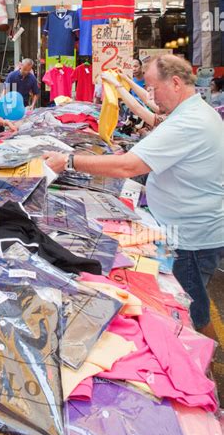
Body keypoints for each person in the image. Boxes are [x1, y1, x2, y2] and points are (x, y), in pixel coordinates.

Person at [44, 55, 223, 339]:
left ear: (175, 83)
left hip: (190, 238)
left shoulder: (189, 122)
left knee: (193, 312)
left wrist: (68, 160)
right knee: (188, 304)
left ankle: (205, 368)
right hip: (190, 229)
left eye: (153, 88)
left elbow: (128, 165)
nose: (151, 95)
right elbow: (150, 111)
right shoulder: (191, 112)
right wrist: (125, 84)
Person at [102, 69, 166, 131]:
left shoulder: (170, 116)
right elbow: (147, 99)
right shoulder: (169, 108)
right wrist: (127, 79)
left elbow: (138, 109)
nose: (152, 96)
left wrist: (115, 83)